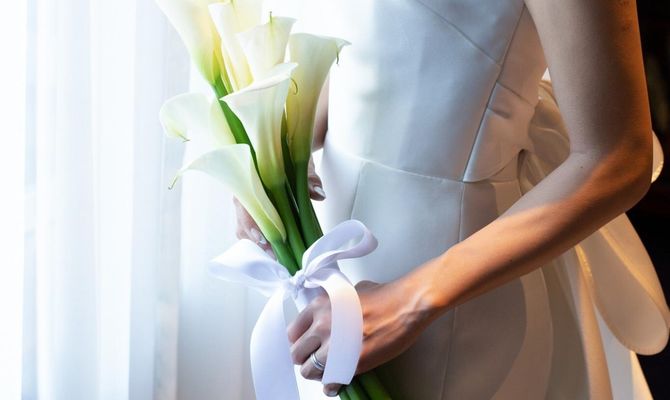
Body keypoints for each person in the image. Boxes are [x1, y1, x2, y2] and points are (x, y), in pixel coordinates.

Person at [235, 0, 670, 398]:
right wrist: (271, 158)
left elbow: (618, 157)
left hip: (450, 291)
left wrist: (411, 303)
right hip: (327, 262)